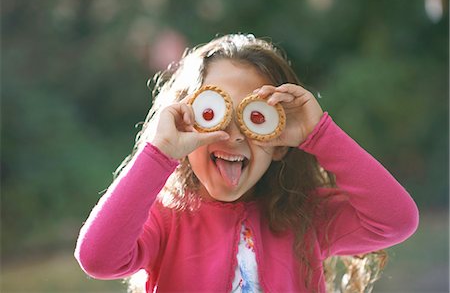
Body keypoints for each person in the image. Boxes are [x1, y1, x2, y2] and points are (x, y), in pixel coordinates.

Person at [74, 34, 419, 293]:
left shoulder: (303, 216)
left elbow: (396, 221)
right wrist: (159, 153)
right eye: (214, 115)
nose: (234, 135)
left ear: (280, 144)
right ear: (185, 125)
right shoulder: (166, 219)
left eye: (254, 119)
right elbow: (97, 258)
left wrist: (320, 135)